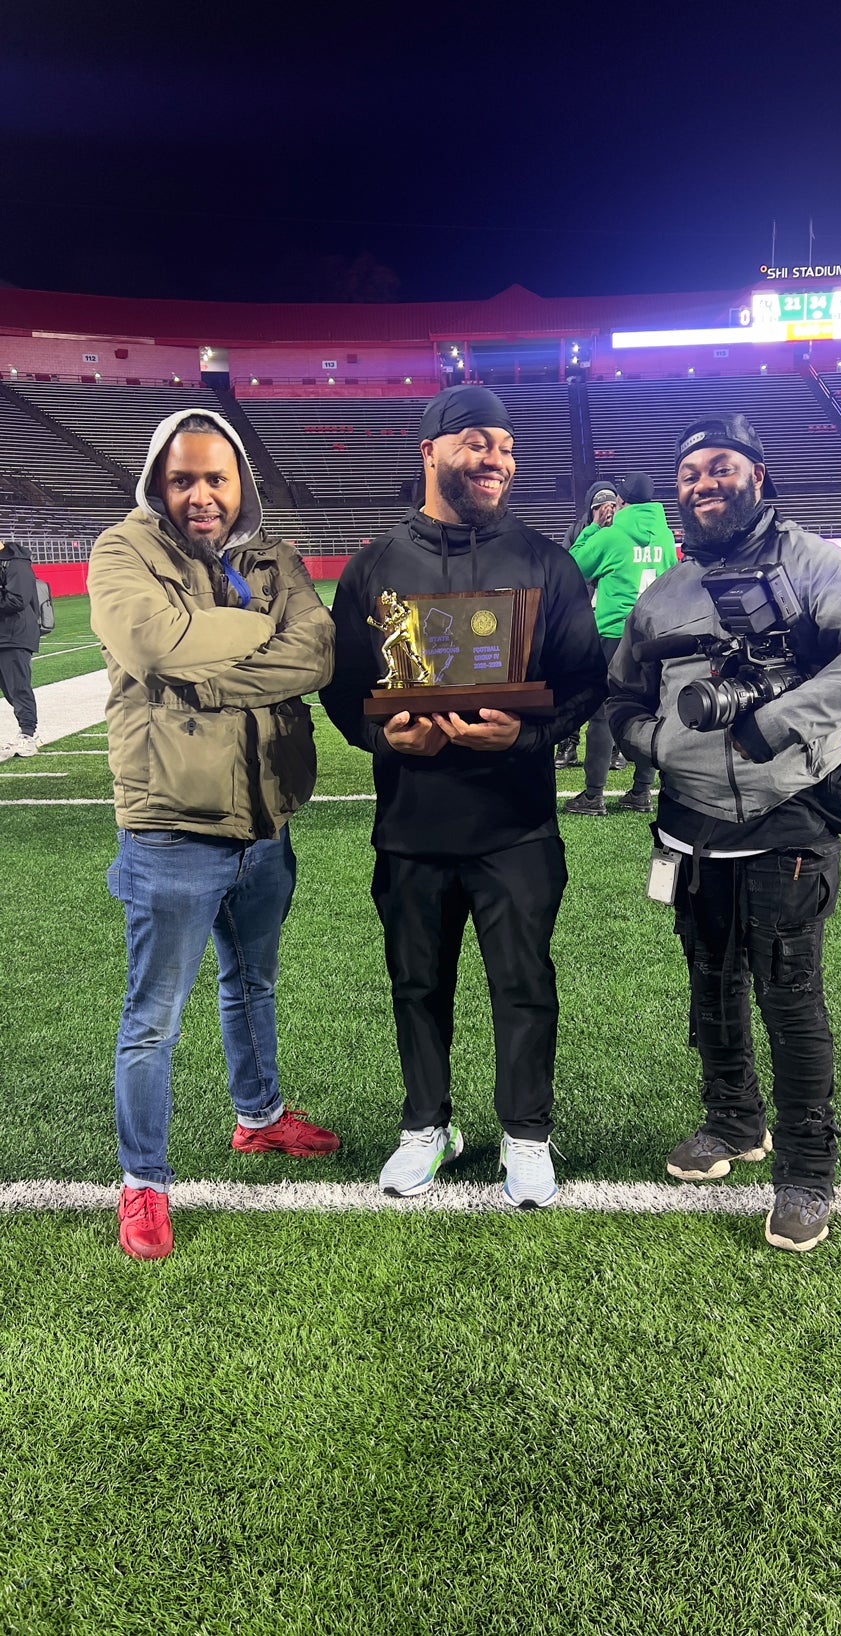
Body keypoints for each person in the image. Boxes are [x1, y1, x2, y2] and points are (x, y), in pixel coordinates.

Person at [608, 412, 841, 1252]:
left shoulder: (818, 564)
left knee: (788, 992)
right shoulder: (663, 593)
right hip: (691, 826)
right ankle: (732, 1123)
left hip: (791, 814)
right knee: (710, 982)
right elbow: (620, 698)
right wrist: (659, 741)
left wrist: (777, 720)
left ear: (757, 475)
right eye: (689, 475)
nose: (703, 484)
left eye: (719, 468)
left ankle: (808, 1171)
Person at [320, 384, 606, 1208]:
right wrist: (384, 738)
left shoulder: (545, 560)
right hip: (411, 822)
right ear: (431, 451)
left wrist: (522, 736)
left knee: (523, 985)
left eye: (507, 449)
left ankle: (526, 1135)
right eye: (478, 443)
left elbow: (584, 683)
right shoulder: (375, 565)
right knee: (416, 985)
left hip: (516, 825)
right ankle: (427, 1124)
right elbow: (344, 691)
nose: (497, 461)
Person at [88, 411, 339, 1261]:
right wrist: (261, 631)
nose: (201, 495)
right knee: (153, 1018)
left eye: (217, 478)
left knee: (251, 985)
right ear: (160, 480)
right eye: (184, 478)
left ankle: (259, 1118)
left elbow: (319, 652)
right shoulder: (123, 551)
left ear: (243, 487)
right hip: (171, 828)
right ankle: (144, 1183)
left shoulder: (274, 558)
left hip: (265, 822)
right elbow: (155, 639)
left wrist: (204, 677)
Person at [564, 473, 677, 815]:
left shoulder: (611, 536)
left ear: (622, 503)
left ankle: (593, 796)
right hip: (655, 637)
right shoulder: (666, 536)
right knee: (650, 712)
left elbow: (570, 567)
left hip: (614, 636)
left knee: (601, 715)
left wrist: (593, 528)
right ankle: (641, 792)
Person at [553, 481, 620, 773]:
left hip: (611, 623)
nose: (605, 512)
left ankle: (619, 746)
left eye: (610, 506)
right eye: (598, 506)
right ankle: (568, 743)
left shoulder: (624, 531)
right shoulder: (578, 529)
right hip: (579, 618)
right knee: (573, 683)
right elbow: (567, 566)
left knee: (618, 688)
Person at [0, 539, 41, 759]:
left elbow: (17, 600)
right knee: (10, 690)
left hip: (15, 634)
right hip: (3, 635)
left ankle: (28, 734)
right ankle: (25, 732)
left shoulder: (15, 562)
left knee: (18, 687)